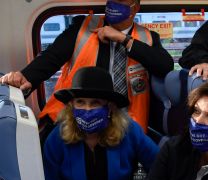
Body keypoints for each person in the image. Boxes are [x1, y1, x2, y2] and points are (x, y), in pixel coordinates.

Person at [1, 0, 173, 132]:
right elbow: (51, 57)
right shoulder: (83, 27)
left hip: (126, 123)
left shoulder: (147, 37)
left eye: (120, 1)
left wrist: (123, 39)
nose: (113, 4)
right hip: (74, 116)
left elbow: (165, 66)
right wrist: (27, 76)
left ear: (134, 8)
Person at [43, 67, 159, 180]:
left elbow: (160, 168)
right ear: (71, 105)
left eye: (95, 102)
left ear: (110, 107)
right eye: (80, 102)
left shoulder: (129, 131)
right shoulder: (57, 138)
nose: (88, 109)